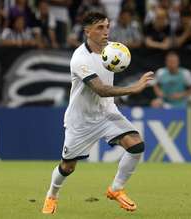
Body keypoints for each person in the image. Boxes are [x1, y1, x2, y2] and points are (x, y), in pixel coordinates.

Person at [42, 11, 154, 214]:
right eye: (100, 28)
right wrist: (133, 88)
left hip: (106, 113)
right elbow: (100, 89)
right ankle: (52, 195)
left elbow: (107, 89)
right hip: (81, 119)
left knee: (136, 145)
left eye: (107, 26)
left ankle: (116, 189)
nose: (106, 32)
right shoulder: (79, 59)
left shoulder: (112, 51)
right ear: (87, 31)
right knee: (67, 167)